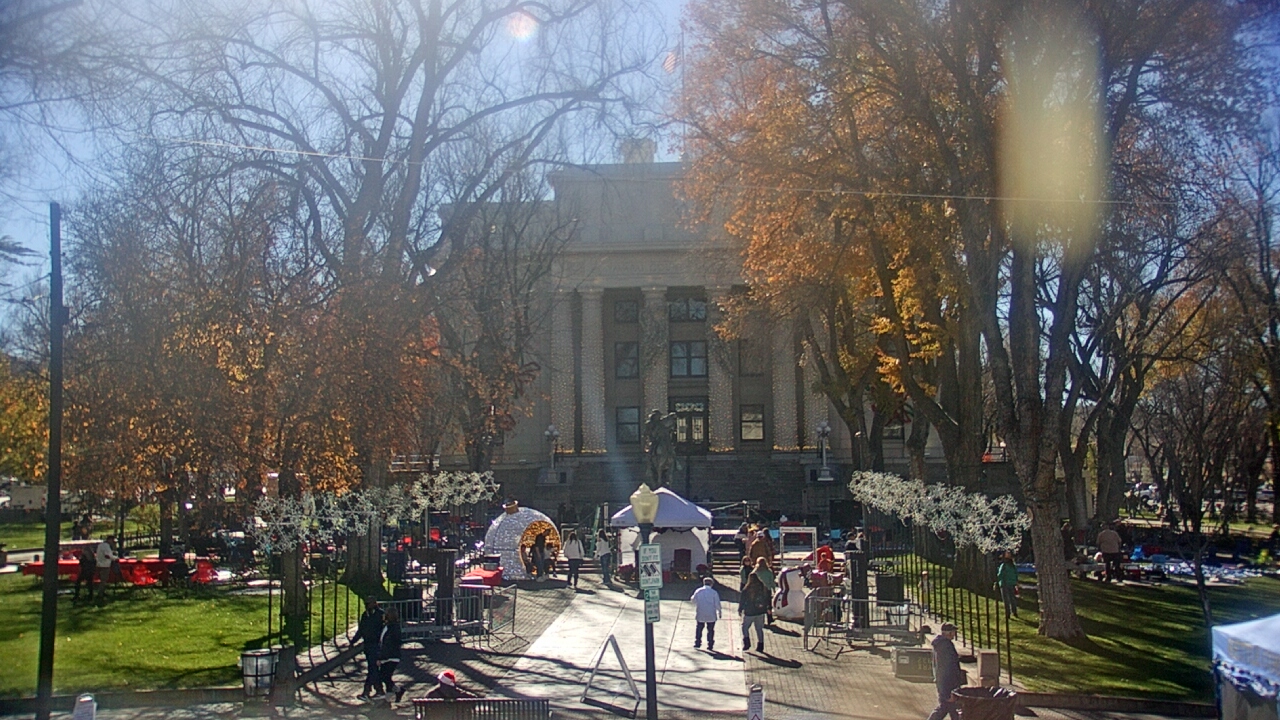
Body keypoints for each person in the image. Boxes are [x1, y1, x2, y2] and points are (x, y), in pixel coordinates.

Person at [927, 623, 963, 720]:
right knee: (947, 707)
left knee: (950, 708)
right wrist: (949, 690)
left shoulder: (942, 644)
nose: (954, 634)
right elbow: (948, 667)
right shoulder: (946, 646)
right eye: (953, 632)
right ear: (949, 633)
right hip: (948, 683)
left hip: (945, 682)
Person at [351, 596, 384, 698]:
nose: (366, 606)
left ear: (374, 603)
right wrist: (353, 641)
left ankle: (367, 690)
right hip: (368, 645)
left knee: (373, 668)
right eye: (365, 604)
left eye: (368, 604)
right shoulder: (365, 615)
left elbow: (384, 630)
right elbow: (361, 629)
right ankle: (379, 689)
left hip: (377, 645)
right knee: (373, 669)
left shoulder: (380, 614)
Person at [378, 606, 404, 703]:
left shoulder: (393, 628)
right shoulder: (387, 626)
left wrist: (381, 657)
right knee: (385, 677)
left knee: (385, 676)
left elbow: (388, 644)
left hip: (391, 657)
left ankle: (392, 695)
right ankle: (395, 692)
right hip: (388, 656)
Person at [739, 572, 770, 654]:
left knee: (745, 627)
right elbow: (767, 598)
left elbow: (742, 600)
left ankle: (747, 642)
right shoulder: (762, 587)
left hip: (750, 612)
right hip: (760, 611)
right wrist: (768, 608)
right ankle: (760, 645)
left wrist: (740, 609)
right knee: (759, 629)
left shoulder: (747, 589)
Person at [690, 577, 722, 651]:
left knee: (699, 628)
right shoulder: (714, 592)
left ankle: (698, 642)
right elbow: (717, 604)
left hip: (700, 612)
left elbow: (693, 600)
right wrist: (719, 612)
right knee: (710, 630)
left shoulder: (698, 591)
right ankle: (710, 644)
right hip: (711, 614)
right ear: (711, 584)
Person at [751, 556, 777, 625]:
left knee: (759, 604)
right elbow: (772, 581)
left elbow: (752, 578)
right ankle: (769, 618)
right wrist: (774, 589)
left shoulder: (756, 571)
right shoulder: (769, 571)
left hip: (758, 590)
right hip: (767, 589)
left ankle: (759, 619)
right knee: (768, 605)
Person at [94, 536, 118, 602]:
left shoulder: (101, 545)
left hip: (99, 564)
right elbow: (107, 555)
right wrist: (115, 558)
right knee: (103, 580)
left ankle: (102, 592)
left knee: (103, 580)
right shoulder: (106, 546)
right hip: (104, 565)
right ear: (109, 540)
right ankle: (100, 594)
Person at [995, 552, 1018, 618]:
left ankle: (1007, 613)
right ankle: (1014, 611)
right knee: (1012, 598)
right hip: (1012, 583)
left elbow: (1000, 574)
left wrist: (997, 581)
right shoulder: (1013, 566)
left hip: (1004, 583)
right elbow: (1016, 574)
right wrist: (1015, 581)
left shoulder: (1003, 565)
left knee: (1006, 599)